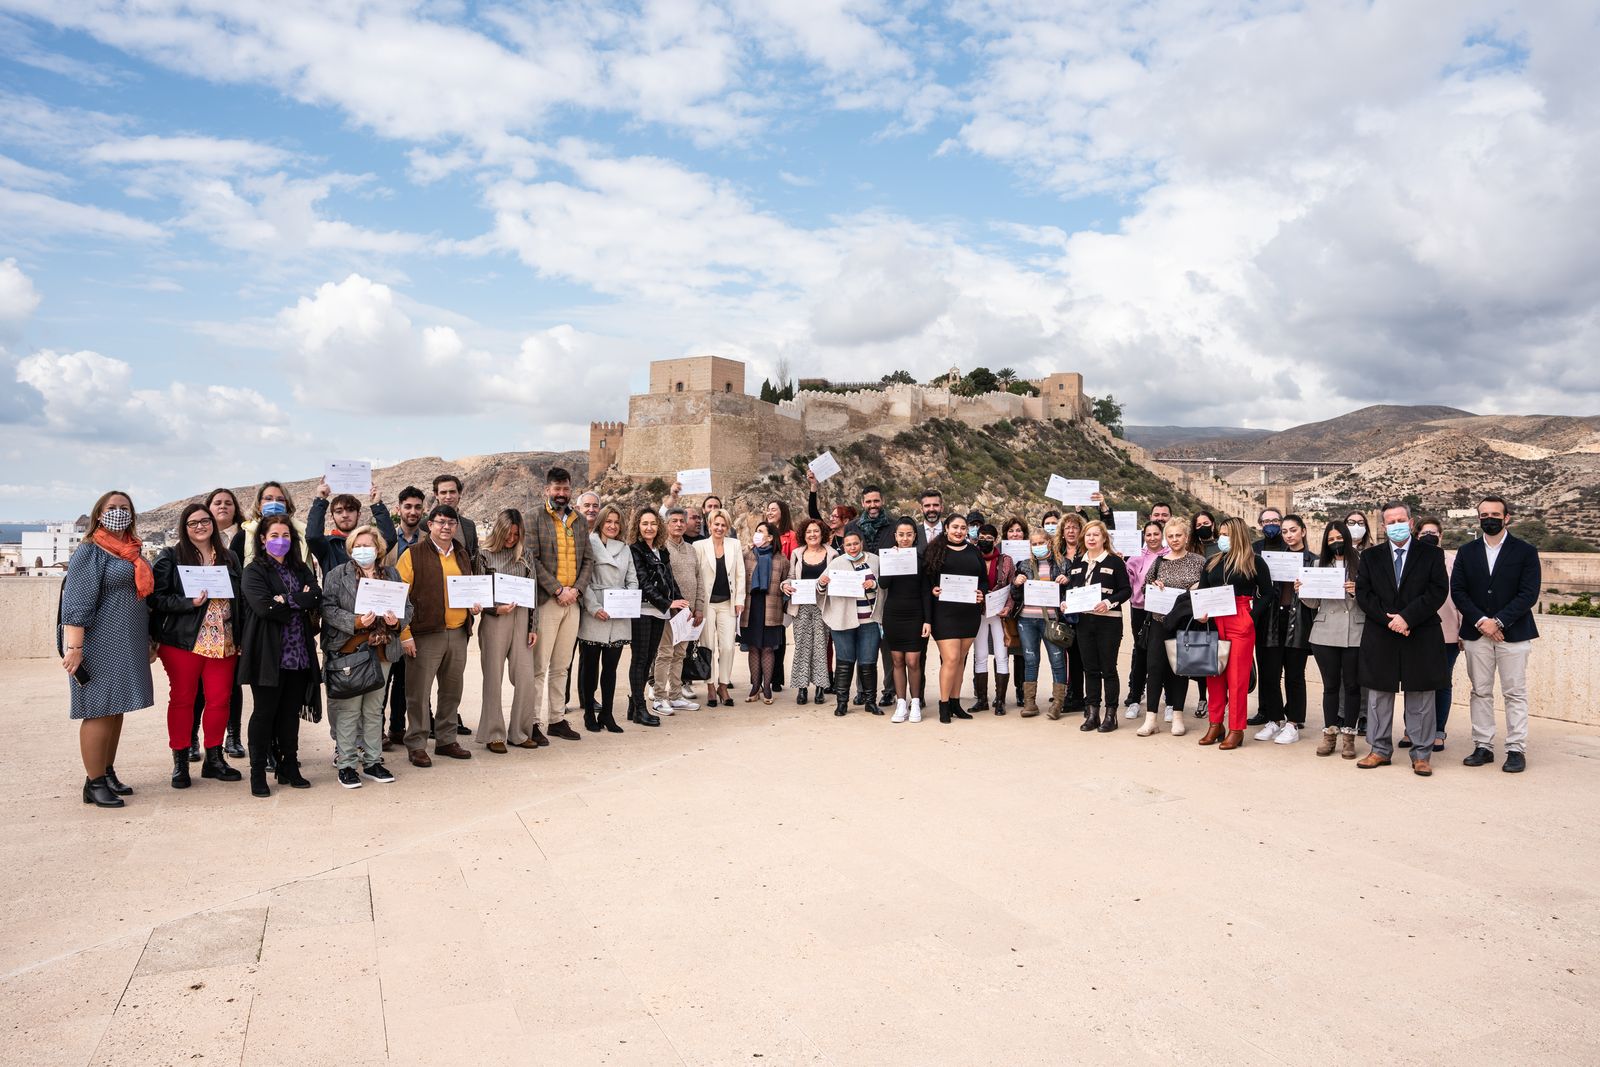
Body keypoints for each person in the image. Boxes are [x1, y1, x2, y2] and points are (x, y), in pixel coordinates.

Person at [60, 491, 155, 808]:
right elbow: (75, 604)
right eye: (112, 508)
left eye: (124, 508)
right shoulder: (91, 552)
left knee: (115, 709)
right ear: (98, 515)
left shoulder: (131, 551)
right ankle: (94, 783)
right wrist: (75, 647)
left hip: (127, 641)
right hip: (99, 643)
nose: (118, 512)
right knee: (98, 710)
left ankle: (107, 771)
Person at [1353, 502, 1450, 776]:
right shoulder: (1371, 557)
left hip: (1420, 632)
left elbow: (1437, 591)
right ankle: (1379, 750)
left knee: (1420, 695)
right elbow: (1364, 594)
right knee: (1379, 695)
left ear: (1410, 522)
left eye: (1400, 519)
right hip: (1381, 634)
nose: (1395, 525)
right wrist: (1390, 620)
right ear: (1383, 526)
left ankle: (1421, 754)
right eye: (1390, 521)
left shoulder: (1431, 555)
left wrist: (1407, 618)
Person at [151, 502, 243, 788]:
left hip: (224, 641)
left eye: (205, 521)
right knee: (183, 699)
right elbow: (156, 598)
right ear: (184, 527)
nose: (200, 526)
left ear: (213, 524)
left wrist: (241, 637)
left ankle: (214, 758)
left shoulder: (229, 558)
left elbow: (239, 599)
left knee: (219, 700)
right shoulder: (170, 557)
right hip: (184, 642)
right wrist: (188, 603)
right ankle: (180, 762)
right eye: (193, 523)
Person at [1452, 495, 1541, 773]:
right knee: (1480, 692)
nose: (1489, 518)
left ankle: (1515, 749)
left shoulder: (1525, 551)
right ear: (1478, 518)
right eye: (1483, 515)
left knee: (1514, 693)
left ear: (1507, 518)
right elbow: (1458, 592)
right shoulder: (1467, 552)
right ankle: (1483, 746)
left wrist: (1499, 622)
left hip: (1513, 634)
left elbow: (1529, 593)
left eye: (1494, 514)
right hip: (1477, 633)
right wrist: (1481, 621)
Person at [238, 515, 323, 796]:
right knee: (264, 714)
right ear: (262, 539)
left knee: (289, 713)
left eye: (286, 535)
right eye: (274, 535)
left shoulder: (300, 568)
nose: (280, 541)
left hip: (299, 654)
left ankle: (290, 765)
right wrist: (299, 599)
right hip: (269, 655)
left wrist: (285, 599)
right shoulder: (254, 571)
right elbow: (263, 609)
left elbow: (316, 596)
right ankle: (258, 772)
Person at [319, 524, 409, 786]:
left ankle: (373, 762)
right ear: (350, 549)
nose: (363, 550)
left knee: (373, 711)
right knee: (348, 711)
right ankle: (346, 764)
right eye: (357, 546)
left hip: (382, 652)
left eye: (367, 545)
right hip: (351, 650)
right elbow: (328, 608)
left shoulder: (392, 574)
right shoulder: (337, 575)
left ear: (378, 548)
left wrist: (395, 622)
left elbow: (408, 606)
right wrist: (356, 621)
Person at [395, 504, 482, 767]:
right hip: (424, 634)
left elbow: (469, 589)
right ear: (429, 524)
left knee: (451, 691)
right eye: (441, 522)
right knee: (418, 693)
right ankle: (417, 744)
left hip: (457, 633)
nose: (446, 527)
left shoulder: (463, 554)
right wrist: (405, 634)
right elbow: (399, 596)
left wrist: (473, 605)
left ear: (457, 527)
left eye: (451, 523)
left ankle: (446, 740)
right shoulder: (413, 555)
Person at [524, 467, 592, 740]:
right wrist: (557, 589)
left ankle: (557, 719)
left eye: (565, 489)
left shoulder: (579, 521)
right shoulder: (533, 517)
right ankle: (532, 722)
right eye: (556, 489)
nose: (561, 494)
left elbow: (588, 560)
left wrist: (575, 590)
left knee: (562, 665)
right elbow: (532, 559)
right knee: (539, 666)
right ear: (547, 490)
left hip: (572, 602)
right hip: (548, 601)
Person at [1195, 518, 1272, 750]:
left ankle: (1236, 729)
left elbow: (1267, 593)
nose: (1221, 538)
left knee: (1237, 678)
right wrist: (1201, 613)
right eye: (1221, 534)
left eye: (1226, 534)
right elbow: (1202, 591)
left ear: (1237, 535)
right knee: (1214, 675)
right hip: (1215, 619)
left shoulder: (1254, 562)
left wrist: (1251, 616)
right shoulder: (1211, 562)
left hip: (1240, 617)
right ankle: (1215, 724)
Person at [187, 488, 247, 760]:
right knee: (198, 689)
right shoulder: (187, 548)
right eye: (217, 503)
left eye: (228, 503)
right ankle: (192, 738)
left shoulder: (243, 537)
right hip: (198, 629)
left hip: (229, 626)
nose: (223, 507)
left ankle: (232, 737)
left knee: (230, 688)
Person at [475, 509, 542, 751]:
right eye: (508, 534)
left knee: (525, 678)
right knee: (493, 678)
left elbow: (533, 592)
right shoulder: (484, 555)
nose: (512, 539)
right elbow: (479, 594)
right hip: (495, 620)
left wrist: (533, 626)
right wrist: (495, 609)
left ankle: (520, 732)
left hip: (522, 617)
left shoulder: (526, 555)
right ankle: (493, 734)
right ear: (498, 530)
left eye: (516, 534)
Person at [1251, 513, 1316, 744]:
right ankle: (1273, 719)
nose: (1289, 535)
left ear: (1303, 532)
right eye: (1285, 531)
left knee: (1294, 675)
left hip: (1298, 621)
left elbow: (1319, 598)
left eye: (1293, 530)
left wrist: (1306, 588)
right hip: (1272, 620)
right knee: (1270, 674)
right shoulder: (1272, 559)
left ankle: (1293, 723)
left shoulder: (1313, 561)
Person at [1137, 518, 1204, 737]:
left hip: (1185, 625)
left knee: (1179, 671)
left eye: (1179, 535)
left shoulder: (1199, 561)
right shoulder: (1158, 562)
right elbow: (1145, 590)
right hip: (1159, 622)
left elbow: (1205, 592)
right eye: (1171, 535)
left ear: (1187, 537)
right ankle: (1151, 719)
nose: (1175, 540)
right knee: (1154, 669)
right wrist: (1155, 586)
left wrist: (1196, 587)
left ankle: (1177, 716)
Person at [1302, 519, 1362, 760]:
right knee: (1330, 686)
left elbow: (1374, 597)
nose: (1336, 542)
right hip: (1325, 633)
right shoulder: (1319, 565)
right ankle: (1329, 734)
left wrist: (1357, 592)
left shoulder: (1362, 563)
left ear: (1347, 539)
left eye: (1339, 538)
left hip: (1355, 632)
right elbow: (1314, 604)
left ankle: (1349, 736)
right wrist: (1303, 591)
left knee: (1352, 686)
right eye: (1331, 539)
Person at [1066, 520, 1132, 733]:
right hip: (1085, 622)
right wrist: (1066, 602)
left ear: (1104, 538)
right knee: (1090, 668)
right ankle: (1092, 712)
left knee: (1108, 668)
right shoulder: (1078, 562)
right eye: (1088, 535)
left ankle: (1110, 714)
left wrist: (1108, 602)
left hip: (1109, 621)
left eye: (1096, 535)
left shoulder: (1115, 562)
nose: (1091, 538)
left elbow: (1125, 591)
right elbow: (1072, 590)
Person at [1404, 517, 1461, 753]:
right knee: (1412, 682)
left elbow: (1461, 597)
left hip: (1447, 631)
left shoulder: (1453, 562)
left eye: (1434, 532)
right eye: (1425, 532)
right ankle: (1412, 730)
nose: (1430, 536)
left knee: (1442, 682)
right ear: (1416, 536)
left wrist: (1462, 630)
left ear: (1441, 536)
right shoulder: (1409, 561)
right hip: (1415, 629)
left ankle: (1438, 732)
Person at [577, 504, 634, 734]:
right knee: (590, 667)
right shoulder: (589, 544)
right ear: (601, 522)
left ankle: (608, 714)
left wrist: (628, 600)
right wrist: (593, 607)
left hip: (618, 612)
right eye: (608, 521)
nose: (612, 526)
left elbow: (633, 579)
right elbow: (584, 578)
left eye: (616, 522)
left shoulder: (625, 549)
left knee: (610, 669)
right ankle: (589, 712)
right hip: (595, 611)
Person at [925, 515, 988, 723]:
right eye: (955, 527)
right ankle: (943, 705)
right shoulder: (935, 550)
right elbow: (926, 581)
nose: (959, 531)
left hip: (969, 613)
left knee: (960, 659)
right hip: (944, 613)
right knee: (951, 658)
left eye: (963, 528)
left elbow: (983, 581)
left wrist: (981, 593)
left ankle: (955, 702)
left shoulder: (974, 551)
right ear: (946, 528)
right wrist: (933, 590)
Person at [628, 510, 684, 727]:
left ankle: (634, 706)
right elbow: (643, 581)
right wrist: (667, 603)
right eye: (644, 524)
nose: (649, 527)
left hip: (659, 613)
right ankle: (640, 708)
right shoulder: (635, 550)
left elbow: (669, 579)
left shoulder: (661, 550)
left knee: (649, 658)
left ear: (659, 526)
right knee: (640, 660)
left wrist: (678, 600)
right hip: (642, 611)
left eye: (653, 523)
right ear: (638, 526)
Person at [381, 485, 427, 751]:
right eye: (407, 507)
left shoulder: (426, 539)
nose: (412, 511)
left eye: (417, 507)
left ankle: (398, 728)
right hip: (387, 618)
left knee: (406, 680)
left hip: (415, 619)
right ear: (398, 510)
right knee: (384, 678)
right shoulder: (387, 539)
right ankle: (379, 730)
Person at [819, 530, 882, 715]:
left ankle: (870, 702)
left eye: (855, 544)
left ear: (861, 543)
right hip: (843, 619)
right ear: (843, 546)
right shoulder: (837, 563)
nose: (852, 548)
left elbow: (885, 585)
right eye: (848, 545)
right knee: (844, 662)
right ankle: (842, 702)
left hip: (869, 620)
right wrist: (823, 583)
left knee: (868, 662)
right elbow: (819, 586)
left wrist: (875, 585)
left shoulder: (875, 561)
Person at [874, 518, 931, 722]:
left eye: (909, 534)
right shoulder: (888, 556)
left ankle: (915, 703)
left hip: (916, 615)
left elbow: (926, 591)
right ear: (895, 536)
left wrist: (928, 620)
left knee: (913, 661)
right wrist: (892, 560)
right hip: (893, 614)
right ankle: (900, 704)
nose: (905, 538)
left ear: (915, 536)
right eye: (901, 535)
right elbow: (883, 584)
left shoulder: (921, 559)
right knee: (897, 660)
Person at [652, 507, 706, 715]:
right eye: (673, 521)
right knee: (664, 653)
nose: (678, 524)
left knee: (680, 654)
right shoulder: (661, 548)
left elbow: (698, 579)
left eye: (681, 521)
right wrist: (671, 603)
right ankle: (659, 697)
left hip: (689, 613)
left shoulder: (691, 550)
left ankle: (675, 696)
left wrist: (698, 607)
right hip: (669, 611)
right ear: (666, 524)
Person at [1011, 529, 1067, 718]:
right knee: (1030, 660)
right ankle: (1030, 703)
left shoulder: (1062, 563)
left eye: (1040, 543)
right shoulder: (1024, 565)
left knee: (1058, 660)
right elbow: (1015, 595)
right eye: (1033, 544)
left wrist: (1066, 581)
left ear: (1049, 543)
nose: (1037, 547)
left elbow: (1071, 591)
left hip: (1051, 620)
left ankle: (1058, 704)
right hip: (1026, 619)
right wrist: (1016, 583)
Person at [695, 509, 745, 707]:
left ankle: (723, 685)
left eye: (723, 525)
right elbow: (696, 575)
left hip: (727, 603)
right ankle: (710, 686)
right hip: (706, 604)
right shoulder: (699, 546)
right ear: (709, 525)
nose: (719, 528)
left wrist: (740, 599)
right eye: (716, 524)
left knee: (727, 647)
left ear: (728, 527)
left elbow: (740, 574)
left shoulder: (735, 545)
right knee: (707, 646)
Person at [783, 519, 833, 704]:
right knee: (802, 647)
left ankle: (820, 688)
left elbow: (835, 580)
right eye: (809, 532)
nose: (812, 535)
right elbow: (790, 577)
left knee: (821, 647)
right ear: (804, 535)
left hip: (822, 606)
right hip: (801, 606)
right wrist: (785, 586)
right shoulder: (797, 554)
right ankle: (802, 689)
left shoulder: (832, 554)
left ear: (822, 534)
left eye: (816, 531)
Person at [1122, 520, 1168, 719]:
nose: (1152, 538)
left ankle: (1171, 702)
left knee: (1165, 654)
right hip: (1140, 609)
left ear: (1162, 534)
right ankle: (1134, 699)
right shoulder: (1135, 558)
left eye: (1156, 534)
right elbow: (1128, 583)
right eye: (1148, 535)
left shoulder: (1169, 555)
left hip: (1164, 610)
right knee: (1141, 652)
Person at [739, 521, 789, 703]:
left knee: (768, 648)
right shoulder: (746, 555)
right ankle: (754, 686)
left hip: (771, 608)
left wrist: (787, 585)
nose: (756, 534)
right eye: (756, 531)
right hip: (751, 608)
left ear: (770, 537)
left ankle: (766, 687)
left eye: (761, 531)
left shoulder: (781, 559)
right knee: (753, 647)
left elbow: (788, 579)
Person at [969, 524, 1015, 715]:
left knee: (1001, 655)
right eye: (982, 536)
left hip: (999, 614)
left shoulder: (1006, 560)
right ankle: (981, 700)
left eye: (989, 537)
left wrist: (1008, 607)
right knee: (980, 656)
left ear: (995, 540)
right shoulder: (971, 556)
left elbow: (1013, 587)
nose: (985, 540)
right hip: (978, 613)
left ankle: (1000, 700)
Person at [307, 482, 397, 576]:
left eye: (350, 510)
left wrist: (378, 504)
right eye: (339, 511)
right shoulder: (328, 546)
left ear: (358, 515)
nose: (345, 515)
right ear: (332, 517)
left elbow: (389, 538)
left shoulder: (372, 543)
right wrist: (320, 500)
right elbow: (313, 536)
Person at [1052, 512, 1089, 715]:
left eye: (1075, 527)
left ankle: (1079, 696)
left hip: (1082, 608)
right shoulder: (1057, 552)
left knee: (1079, 654)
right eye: (1067, 528)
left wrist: (1070, 580)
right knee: (1065, 651)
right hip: (1060, 609)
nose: (1071, 531)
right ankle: (1069, 694)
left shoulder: (1086, 551)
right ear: (1062, 532)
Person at [230, 482, 310, 565]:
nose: (274, 503)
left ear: (287, 506)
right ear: (259, 505)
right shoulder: (243, 537)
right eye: (268, 499)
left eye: (280, 500)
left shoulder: (302, 534)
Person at [1000, 518, 1029, 708]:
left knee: (1021, 652)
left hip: (1024, 607)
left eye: (1019, 531)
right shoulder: (999, 554)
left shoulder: (1031, 554)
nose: (1015, 534)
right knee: (1001, 650)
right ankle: (998, 693)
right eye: (1011, 531)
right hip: (1002, 606)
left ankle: (1021, 690)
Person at [432, 474, 478, 557]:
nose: (448, 497)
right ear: (436, 495)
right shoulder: (424, 525)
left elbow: (474, 557)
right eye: (443, 492)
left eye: (452, 492)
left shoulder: (469, 525)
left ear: (459, 493)